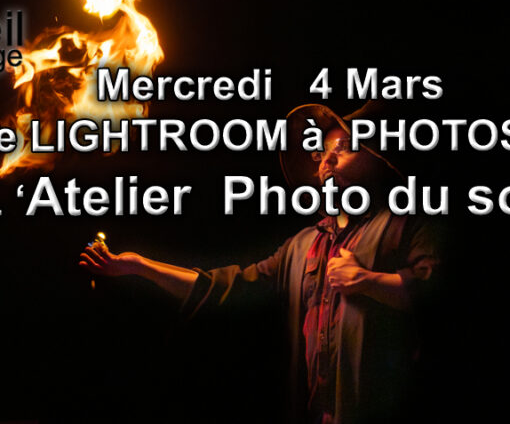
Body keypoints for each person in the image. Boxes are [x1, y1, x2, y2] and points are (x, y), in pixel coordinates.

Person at [80, 101, 441, 424]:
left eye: (344, 147)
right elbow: (227, 287)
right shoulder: (304, 246)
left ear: (378, 158)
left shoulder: (408, 223)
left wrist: (366, 280)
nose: (326, 160)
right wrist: (140, 266)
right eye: (321, 152)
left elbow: (439, 293)